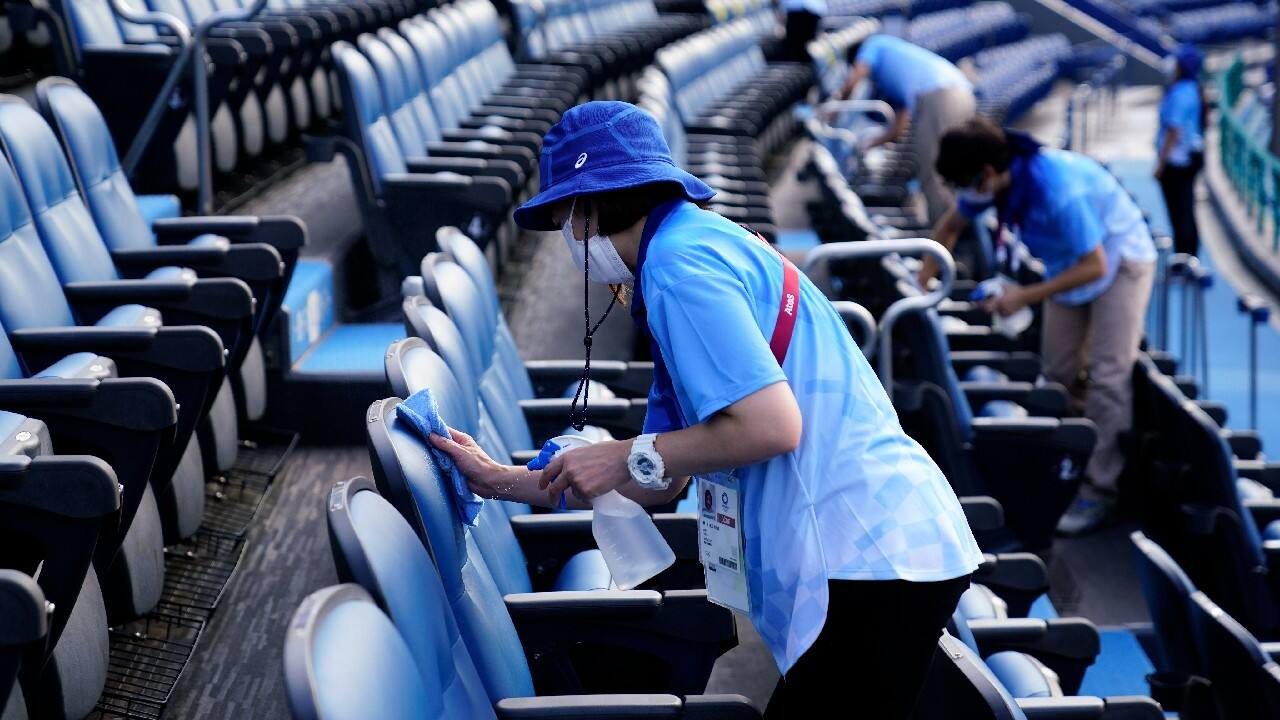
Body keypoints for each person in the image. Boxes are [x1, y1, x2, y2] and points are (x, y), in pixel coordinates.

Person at [430, 101, 983, 718]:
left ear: (595, 202)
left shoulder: (679, 266)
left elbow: (770, 425)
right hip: (874, 549)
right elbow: (661, 481)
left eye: (566, 218)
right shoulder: (690, 247)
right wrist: (506, 481)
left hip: (868, 552)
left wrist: (626, 455)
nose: (570, 240)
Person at [927, 118, 1157, 537]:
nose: (966, 192)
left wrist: (1022, 296)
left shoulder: (1056, 190)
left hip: (1118, 259)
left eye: (967, 183)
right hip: (1069, 263)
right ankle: (1073, 463)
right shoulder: (994, 178)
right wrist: (920, 285)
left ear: (987, 174)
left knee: (1108, 375)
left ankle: (1099, 489)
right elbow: (948, 228)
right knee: (1058, 375)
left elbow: (1096, 266)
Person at [833, 33, 977, 223]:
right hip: (959, 95)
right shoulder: (896, 69)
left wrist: (835, 108)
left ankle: (947, 242)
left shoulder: (873, 43)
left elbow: (855, 78)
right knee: (951, 171)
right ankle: (957, 235)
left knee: (934, 172)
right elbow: (900, 126)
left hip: (940, 96)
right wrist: (873, 143)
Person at [1156, 43, 1206, 257]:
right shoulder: (1190, 89)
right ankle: (1187, 253)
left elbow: (1174, 131)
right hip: (1188, 158)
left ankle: (1185, 256)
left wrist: (1161, 164)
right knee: (1184, 208)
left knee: (1181, 209)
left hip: (1178, 161)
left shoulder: (1181, 93)